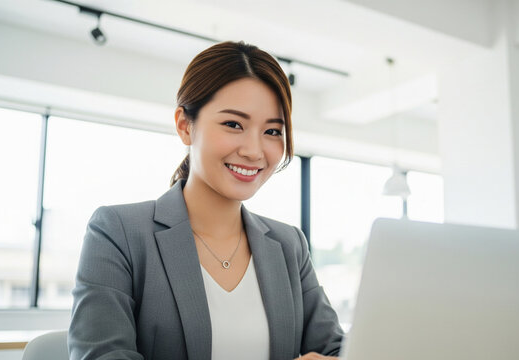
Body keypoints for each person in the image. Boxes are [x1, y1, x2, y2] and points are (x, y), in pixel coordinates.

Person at [68, 41, 343, 360]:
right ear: (185, 126)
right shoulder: (118, 232)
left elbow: (337, 347)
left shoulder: (289, 244)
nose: (254, 151)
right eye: (233, 124)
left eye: (272, 131)